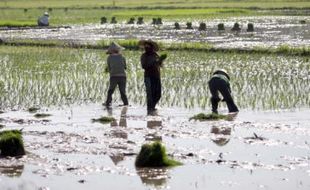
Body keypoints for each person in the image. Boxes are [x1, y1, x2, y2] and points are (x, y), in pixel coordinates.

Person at [139, 40, 167, 115]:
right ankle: (150, 109)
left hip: (156, 76)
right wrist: (154, 62)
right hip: (148, 77)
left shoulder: (156, 55)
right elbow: (144, 66)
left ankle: (152, 107)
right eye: (145, 46)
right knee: (150, 94)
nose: (146, 47)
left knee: (158, 94)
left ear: (152, 47)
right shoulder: (144, 56)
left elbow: (160, 65)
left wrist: (160, 60)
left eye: (148, 46)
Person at [104, 42, 128, 108]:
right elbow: (125, 67)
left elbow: (109, 68)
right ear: (118, 50)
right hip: (123, 76)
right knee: (123, 92)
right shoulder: (122, 57)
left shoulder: (109, 58)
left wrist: (107, 70)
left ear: (111, 51)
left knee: (111, 90)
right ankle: (126, 104)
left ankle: (108, 102)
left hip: (114, 76)